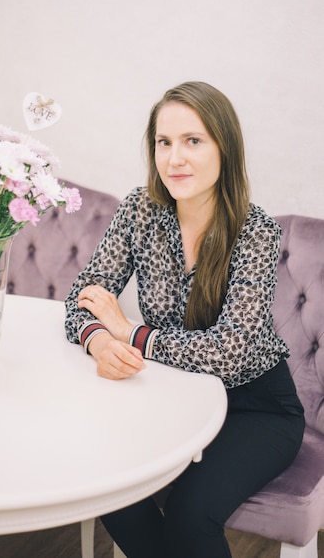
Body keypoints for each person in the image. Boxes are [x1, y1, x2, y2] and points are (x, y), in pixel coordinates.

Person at [64, 81, 304, 558]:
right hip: (171, 395)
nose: (175, 159)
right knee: (109, 483)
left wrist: (128, 332)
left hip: (256, 408)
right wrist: (98, 341)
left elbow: (227, 355)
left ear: (224, 148)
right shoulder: (140, 209)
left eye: (193, 141)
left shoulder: (256, 232)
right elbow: (82, 299)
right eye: (164, 142)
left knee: (193, 517)